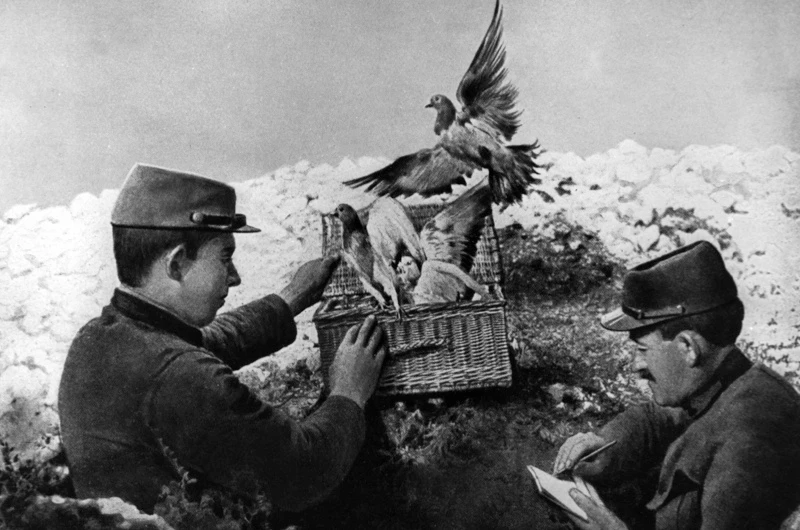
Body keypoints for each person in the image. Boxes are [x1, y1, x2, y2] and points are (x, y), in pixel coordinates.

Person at [58, 163, 387, 514]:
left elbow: (205, 343)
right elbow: (305, 471)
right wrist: (349, 392)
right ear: (176, 264)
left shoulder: (97, 339)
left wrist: (290, 298)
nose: (235, 278)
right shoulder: (180, 376)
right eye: (225, 258)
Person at [552, 241, 800, 529]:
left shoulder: (748, 447)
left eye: (643, 351)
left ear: (687, 348)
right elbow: (660, 418)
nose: (636, 366)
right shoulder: (724, 379)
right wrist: (606, 448)